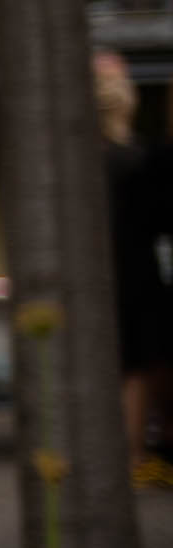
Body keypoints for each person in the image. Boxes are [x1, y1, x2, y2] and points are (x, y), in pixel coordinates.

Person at [93, 51, 173, 488]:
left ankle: (132, 453)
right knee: (139, 368)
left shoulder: (84, 159)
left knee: (129, 366)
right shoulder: (137, 158)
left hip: (107, 272)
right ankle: (134, 456)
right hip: (135, 272)